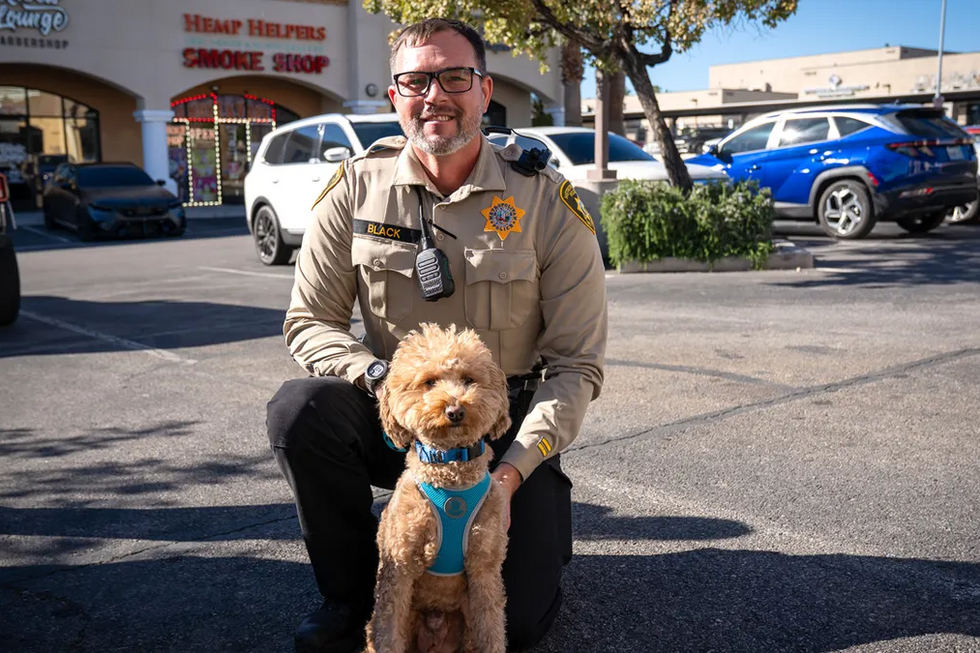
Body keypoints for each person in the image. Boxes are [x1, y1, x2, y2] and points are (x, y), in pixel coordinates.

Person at [266, 17, 607, 653]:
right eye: (416, 81)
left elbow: (576, 364)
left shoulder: (545, 200)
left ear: (485, 90)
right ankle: (351, 594)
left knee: (519, 624)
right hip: (398, 413)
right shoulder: (355, 189)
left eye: (455, 77)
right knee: (299, 409)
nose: (435, 96)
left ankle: (536, 529)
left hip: (504, 429)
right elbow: (309, 322)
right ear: (394, 94)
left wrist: (510, 476)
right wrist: (381, 381)